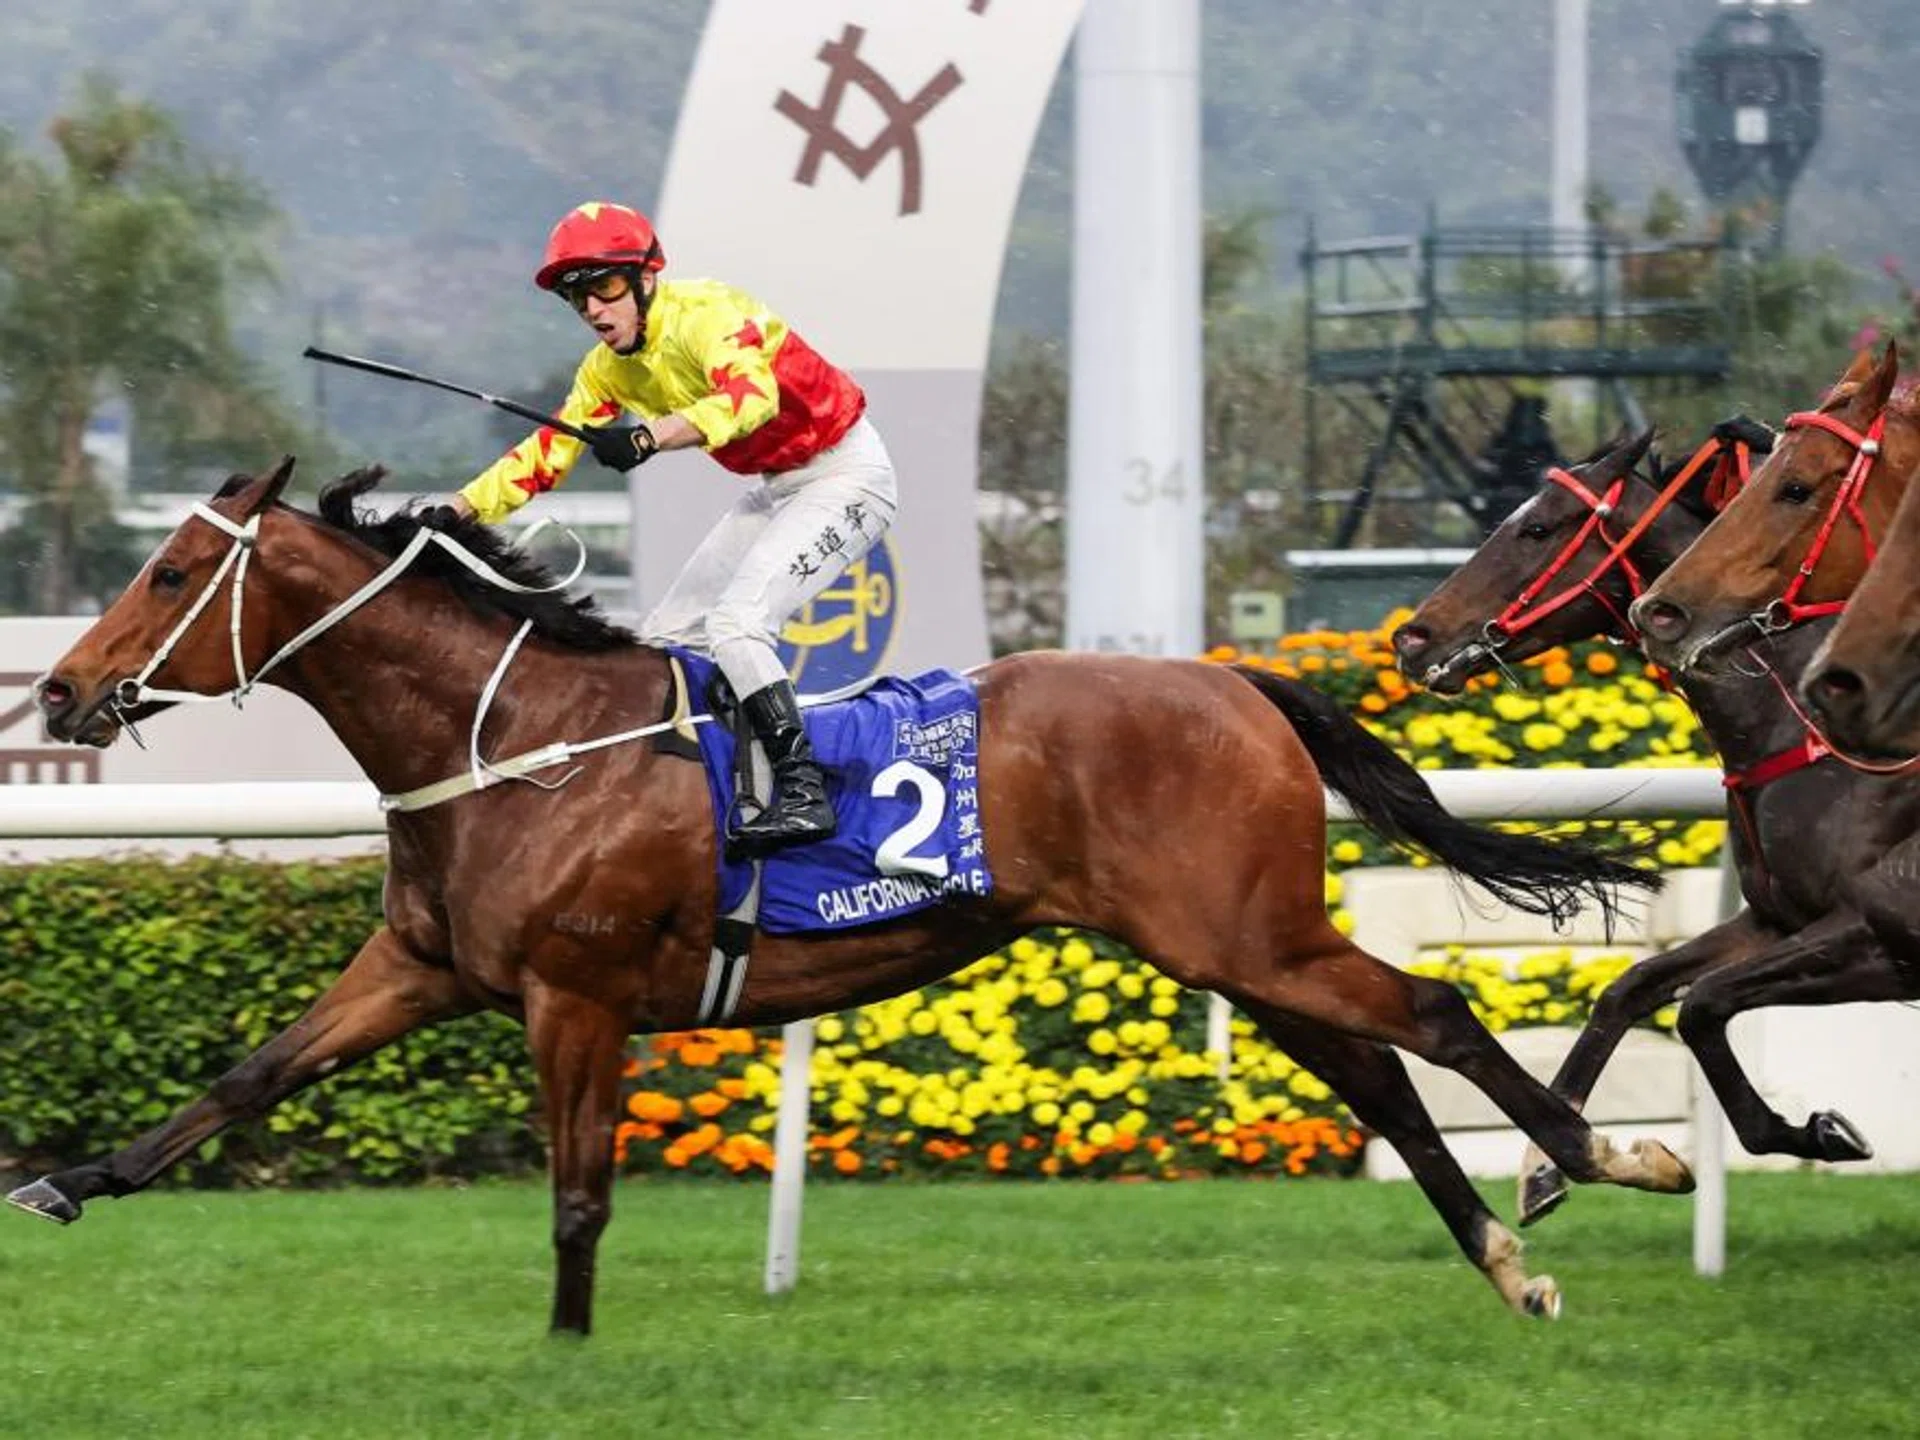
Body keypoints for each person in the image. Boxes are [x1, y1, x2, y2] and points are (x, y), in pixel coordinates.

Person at [448, 201, 897, 858]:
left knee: (737, 625)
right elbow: (548, 451)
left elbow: (751, 399)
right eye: (578, 298)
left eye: (604, 287)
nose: (596, 311)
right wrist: (456, 510)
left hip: (847, 476)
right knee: (664, 641)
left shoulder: (709, 314)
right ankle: (725, 787)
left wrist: (649, 434)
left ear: (646, 276)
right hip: (777, 487)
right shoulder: (606, 370)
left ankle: (805, 792)